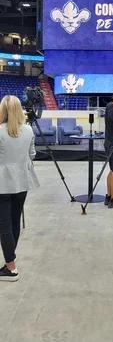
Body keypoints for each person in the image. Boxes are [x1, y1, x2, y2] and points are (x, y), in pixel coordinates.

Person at [0, 95, 39, 281]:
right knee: (14, 222)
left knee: (4, 226)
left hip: (2, 183)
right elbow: (32, 154)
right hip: (22, 181)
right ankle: (10, 261)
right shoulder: (29, 130)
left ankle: (11, 267)